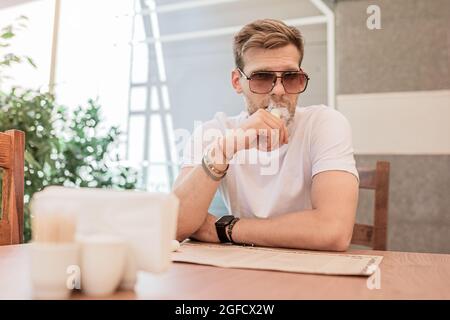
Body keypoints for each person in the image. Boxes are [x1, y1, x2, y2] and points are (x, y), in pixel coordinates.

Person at [172, 19, 359, 251]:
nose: (279, 90)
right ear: (237, 82)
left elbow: (333, 231)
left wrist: (223, 229)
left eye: (291, 77)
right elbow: (174, 227)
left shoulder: (324, 124)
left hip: (312, 271)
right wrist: (223, 151)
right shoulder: (214, 132)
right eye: (262, 77)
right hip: (243, 270)